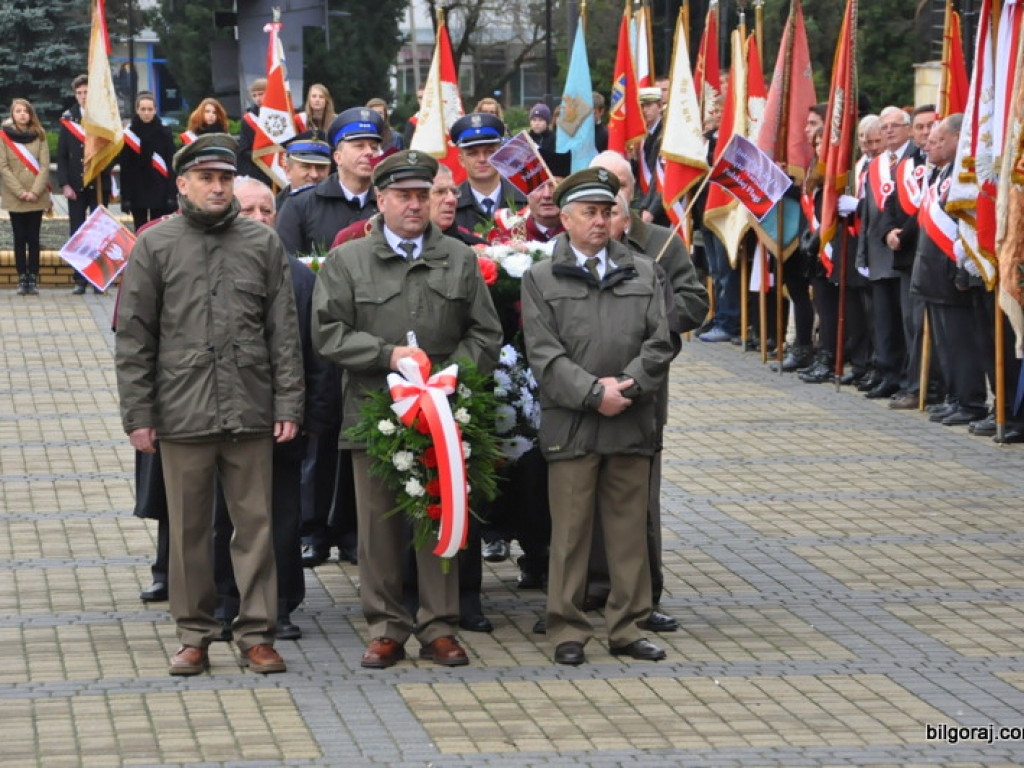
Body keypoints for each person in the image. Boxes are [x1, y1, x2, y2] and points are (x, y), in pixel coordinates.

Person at [115, 134, 304, 676]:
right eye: (206, 178)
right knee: (189, 532)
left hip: (250, 408)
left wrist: (287, 401)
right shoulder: (155, 244)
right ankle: (194, 634)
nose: (217, 187)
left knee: (256, 527)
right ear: (183, 185)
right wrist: (140, 415)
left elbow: (282, 333)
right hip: (182, 411)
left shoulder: (262, 243)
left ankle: (257, 632)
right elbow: (134, 337)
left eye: (224, 178)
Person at [312, 149, 502, 669]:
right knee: (378, 530)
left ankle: (439, 627)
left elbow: (486, 332)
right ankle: (386, 627)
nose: (415, 205)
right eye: (404, 195)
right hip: (373, 413)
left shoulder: (459, 257)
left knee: (438, 519)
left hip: (443, 410)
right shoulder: (349, 260)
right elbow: (327, 333)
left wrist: (450, 374)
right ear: (381, 199)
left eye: (424, 194)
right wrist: (387, 355)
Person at [520, 167, 674, 665]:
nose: (600, 221)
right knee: (570, 533)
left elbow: (661, 340)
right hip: (574, 423)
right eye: (589, 213)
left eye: (607, 212)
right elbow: (543, 355)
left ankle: (627, 627)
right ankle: (567, 627)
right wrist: (592, 393)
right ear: (564, 219)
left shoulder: (645, 271)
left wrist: (626, 386)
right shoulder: (540, 278)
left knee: (628, 531)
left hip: (630, 419)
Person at [212, 177, 336, 641]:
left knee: (282, 517)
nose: (261, 219)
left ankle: (280, 604)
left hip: (284, 423)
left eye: (268, 210)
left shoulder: (302, 277)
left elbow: (318, 357)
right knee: (226, 517)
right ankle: (229, 602)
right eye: (249, 211)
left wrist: (312, 421)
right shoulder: (214, 270)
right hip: (225, 421)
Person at [275, 106, 383, 255]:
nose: (369, 153)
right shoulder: (301, 204)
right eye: (359, 146)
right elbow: (287, 264)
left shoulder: (390, 200)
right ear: (338, 157)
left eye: (374, 147)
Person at [57, 74, 113, 294]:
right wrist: (64, 184)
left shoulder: (103, 119)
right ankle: (80, 279)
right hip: (76, 186)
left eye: (86, 93)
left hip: (98, 183)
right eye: (79, 93)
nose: (82, 96)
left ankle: (99, 278)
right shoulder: (69, 119)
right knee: (78, 232)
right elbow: (61, 156)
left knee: (100, 234)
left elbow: (112, 151)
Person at [1, 98, 51, 296]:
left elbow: (45, 165)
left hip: (36, 195)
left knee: (34, 237)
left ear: (31, 114)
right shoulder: (4, 136)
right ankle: (22, 276)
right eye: (18, 111)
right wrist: (20, 191)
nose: (22, 114)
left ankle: (34, 277)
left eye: (25, 111)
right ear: (12, 114)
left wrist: (35, 191)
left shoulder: (39, 134)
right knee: (19, 237)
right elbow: (3, 167)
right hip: (15, 195)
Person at [451, 112, 527, 232]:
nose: (482, 159)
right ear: (461, 160)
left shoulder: (525, 200)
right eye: (473, 153)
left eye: (489, 151)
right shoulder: (451, 204)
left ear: (500, 155)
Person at [119, 92, 177, 231]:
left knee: (158, 232)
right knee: (140, 231)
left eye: (150, 109)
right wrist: (125, 197)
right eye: (143, 109)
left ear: (155, 110)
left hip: (160, 190)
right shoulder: (129, 134)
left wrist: (172, 194)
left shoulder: (165, 132)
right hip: (136, 191)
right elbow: (125, 168)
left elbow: (171, 165)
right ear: (137, 110)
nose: (146, 113)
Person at [276, 131, 332, 210]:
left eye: (321, 167)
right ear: (287, 170)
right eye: (306, 167)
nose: (314, 175)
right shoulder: (272, 211)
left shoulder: (344, 207)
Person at [236, 78, 273, 186]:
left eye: (261, 94)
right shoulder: (249, 119)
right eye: (254, 95)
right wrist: (262, 155)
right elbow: (244, 149)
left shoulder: (280, 116)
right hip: (257, 170)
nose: (258, 99)